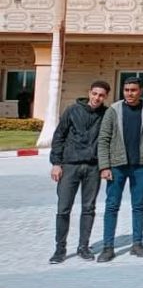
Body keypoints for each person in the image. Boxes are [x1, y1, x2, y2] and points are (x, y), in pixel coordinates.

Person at [96, 76, 143, 262]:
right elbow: (103, 139)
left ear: (141, 91)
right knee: (112, 206)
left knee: (138, 206)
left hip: (141, 167)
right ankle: (108, 247)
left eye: (133, 90)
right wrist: (104, 166)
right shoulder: (113, 110)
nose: (129, 93)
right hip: (117, 166)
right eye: (126, 90)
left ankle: (137, 244)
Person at [49, 80, 110, 263]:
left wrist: (105, 166)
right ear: (89, 92)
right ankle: (60, 249)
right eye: (95, 94)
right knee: (63, 208)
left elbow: (108, 140)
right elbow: (59, 136)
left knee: (88, 208)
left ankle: (83, 247)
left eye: (101, 95)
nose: (97, 98)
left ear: (105, 97)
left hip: (93, 167)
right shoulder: (72, 110)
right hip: (70, 165)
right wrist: (56, 163)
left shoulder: (106, 114)